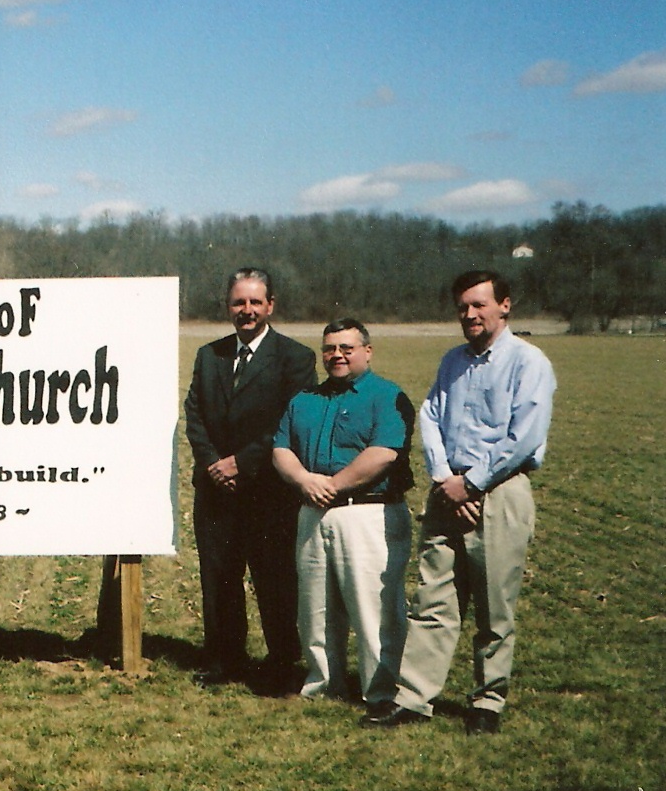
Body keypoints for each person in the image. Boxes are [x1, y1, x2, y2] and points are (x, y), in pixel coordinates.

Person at [367, 271, 556, 734]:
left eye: (479, 305)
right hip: (447, 489)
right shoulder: (452, 361)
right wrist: (444, 477)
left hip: (500, 490)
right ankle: (414, 698)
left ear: (504, 306)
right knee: (432, 599)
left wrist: (472, 484)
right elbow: (431, 416)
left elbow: (523, 437)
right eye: (462, 307)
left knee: (494, 605)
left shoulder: (528, 362)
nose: (470, 315)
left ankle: (487, 702)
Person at [272, 318, 415, 713]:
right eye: (330, 348)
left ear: (367, 351)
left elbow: (384, 453)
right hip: (313, 512)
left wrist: (333, 486)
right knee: (315, 609)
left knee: (374, 610)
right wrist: (303, 480)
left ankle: (381, 692)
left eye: (346, 348)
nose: (337, 355)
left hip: (367, 512)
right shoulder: (304, 399)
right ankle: (323, 684)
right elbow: (281, 448)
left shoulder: (387, 396)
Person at [183, 268, 316, 690]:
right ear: (228, 306)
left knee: (274, 579)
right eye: (239, 302)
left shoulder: (295, 358)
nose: (247, 310)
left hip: (267, 490)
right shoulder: (210, 355)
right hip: (216, 489)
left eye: (255, 302)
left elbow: (289, 420)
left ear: (270, 306)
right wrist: (213, 464)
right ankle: (224, 659)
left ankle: (282, 662)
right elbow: (194, 414)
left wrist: (241, 462)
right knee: (220, 578)